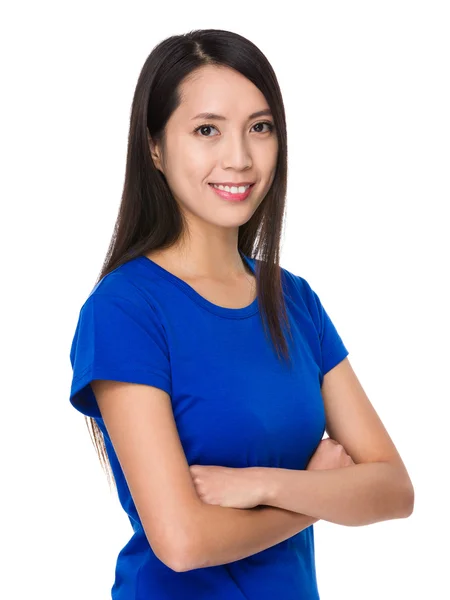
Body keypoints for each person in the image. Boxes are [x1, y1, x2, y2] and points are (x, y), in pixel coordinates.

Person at [69, 28, 414, 600]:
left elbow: (393, 490)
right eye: (207, 130)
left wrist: (261, 485)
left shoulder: (293, 299)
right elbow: (181, 542)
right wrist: (315, 494)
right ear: (154, 146)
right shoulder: (124, 311)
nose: (240, 157)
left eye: (260, 128)